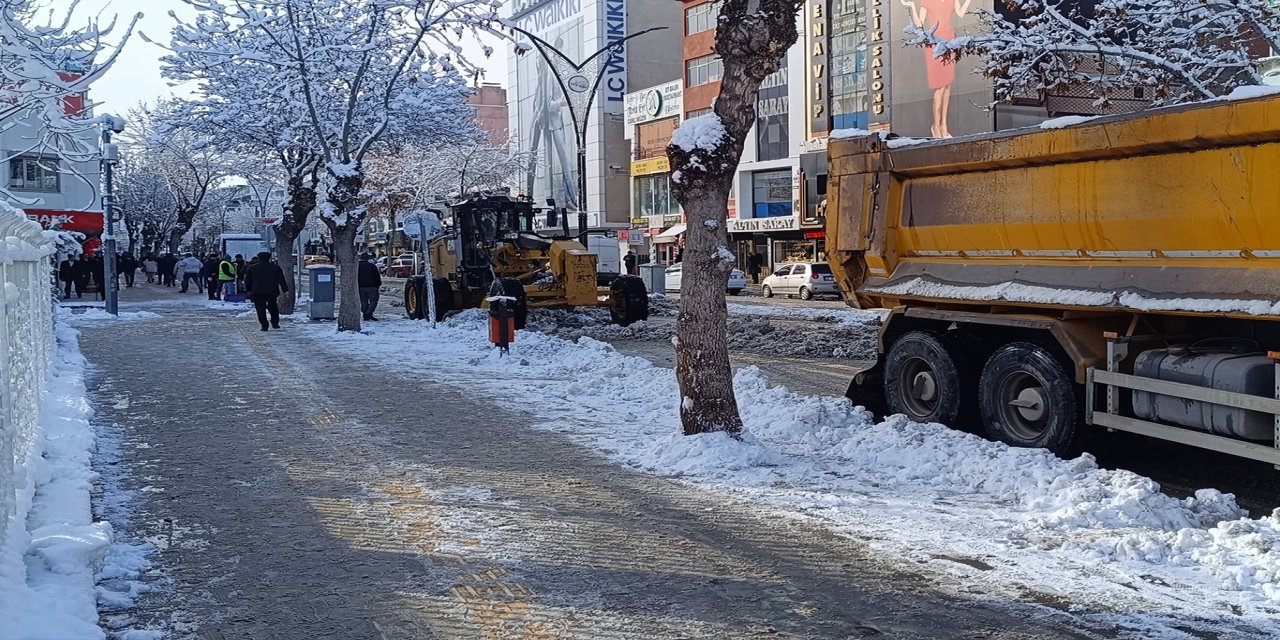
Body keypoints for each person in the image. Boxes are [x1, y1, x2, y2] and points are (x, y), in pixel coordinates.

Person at [901, 0, 973, 138]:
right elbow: (920, 24)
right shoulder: (927, 1)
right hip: (934, 42)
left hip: (949, 40)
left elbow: (960, 13)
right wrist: (912, 7)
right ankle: (936, 125)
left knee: (947, 85)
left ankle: (944, 126)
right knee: (939, 86)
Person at [244, 251, 289, 331]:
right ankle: (275, 323)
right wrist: (285, 290)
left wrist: (248, 290)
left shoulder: (252, 268)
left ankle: (264, 325)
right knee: (273, 307)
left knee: (260, 309)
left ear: (259, 258)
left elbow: (248, 280)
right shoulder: (275, 268)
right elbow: (281, 280)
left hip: (257, 292)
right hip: (272, 291)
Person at [357, 252, 382, 321]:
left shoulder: (357, 266)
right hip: (372, 287)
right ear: (367, 258)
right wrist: (378, 285)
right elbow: (377, 276)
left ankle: (365, 314)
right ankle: (368, 314)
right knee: (373, 301)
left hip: (360, 286)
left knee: (363, 301)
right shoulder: (372, 266)